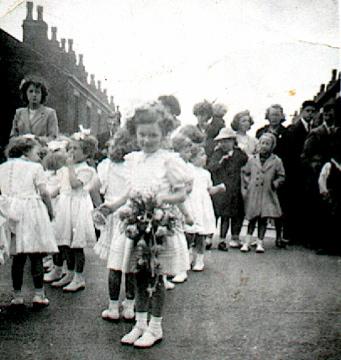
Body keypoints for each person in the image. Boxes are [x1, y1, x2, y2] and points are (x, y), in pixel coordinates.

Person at [99, 101, 190, 348]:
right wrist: (113, 206)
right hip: (136, 223)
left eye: (153, 135)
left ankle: (155, 326)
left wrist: (161, 199)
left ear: (163, 135)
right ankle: (139, 324)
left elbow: (181, 194)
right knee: (137, 274)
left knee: (156, 277)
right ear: (134, 133)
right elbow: (131, 191)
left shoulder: (168, 161)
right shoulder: (134, 160)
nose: (147, 140)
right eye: (142, 135)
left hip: (159, 225)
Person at [0, 136, 57, 306]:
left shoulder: (2, 167)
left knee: (17, 256)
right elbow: (44, 192)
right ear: (25, 151)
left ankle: (17, 296)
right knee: (35, 253)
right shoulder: (35, 167)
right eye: (36, 152)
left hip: (9, 209)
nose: (39, 156)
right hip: (30, 210)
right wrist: (50, 210)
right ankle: (39, 294)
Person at [94, 129, 137, 321]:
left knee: (115, 263)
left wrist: (100, 207)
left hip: (113, 212)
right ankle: (129, 305)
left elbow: (94, 187)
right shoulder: (136, 164)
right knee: (130, 262)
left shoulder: (107, 165)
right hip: (132, 213)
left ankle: (113, 306)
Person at [51, 132, 99, 292]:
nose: (72, 151)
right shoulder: (67, 168)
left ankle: (79, 277)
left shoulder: (87, 170)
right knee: (65, 243)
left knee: (77, 245)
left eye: (76, 148)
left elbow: (74, 184)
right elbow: (60, 187)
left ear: (86, 153)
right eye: (70, 148)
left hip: (78, 207)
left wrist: (70, 166)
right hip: (65, 205)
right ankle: (69, 273)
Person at [280, 100, 318, 245]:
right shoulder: (293, 129)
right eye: (307, 111)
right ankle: (289, 235)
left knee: (305, 203)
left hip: (308, 173)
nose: (310, 114)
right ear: (302, 111)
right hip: (295, 172)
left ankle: (301, 235)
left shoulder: (314, 128)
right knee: (292, 203)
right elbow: (289, 153)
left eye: (312, 112)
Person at [241, 133, 285, 253]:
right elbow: (245, 172)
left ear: (272, 146)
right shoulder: (252, 159)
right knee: (252, 218)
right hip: (254, 193)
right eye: (262, 143)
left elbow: (281, 176)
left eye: (267, 144)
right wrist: (248, 185)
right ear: (258, 144)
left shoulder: (276, 161)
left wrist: (275, 183)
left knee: (263, 219)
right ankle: (247, 242)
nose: (264, 146)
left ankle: (260, 242)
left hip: (267, 193)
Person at [206, 127, 248, 250]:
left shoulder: (239, 154)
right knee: (217, 213)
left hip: (234, 188)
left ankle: (228, 238)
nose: (224, 144)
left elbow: (246, 162)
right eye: (222, 141)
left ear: (233, 141)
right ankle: (210, 237)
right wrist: (220, 162)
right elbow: (211, 167)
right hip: (220, 188)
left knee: (232, 214)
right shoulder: (217, 153)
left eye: (227, 141)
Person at [186, 145, 225, 270]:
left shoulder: (206, 173)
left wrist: (218, 188)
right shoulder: (187, 169)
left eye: (204, 154)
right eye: (201, 155)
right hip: (191, 204)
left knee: (201, 235)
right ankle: (187, 257)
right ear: (192, 158)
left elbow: (209, 190)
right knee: (188, 233)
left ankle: (200, 260)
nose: (205, 157)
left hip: (202, 206)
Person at [256, 104, 289, 246]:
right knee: (259, 205)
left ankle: (279, 236)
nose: (274, 117)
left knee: (279, 204)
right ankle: (258, 237)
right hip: (263, 170)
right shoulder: (261, 131)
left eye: (277, 115)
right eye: (272, 114)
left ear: (282, 116)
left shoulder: (287, 132)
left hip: (278, 169)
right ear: (267, 116)